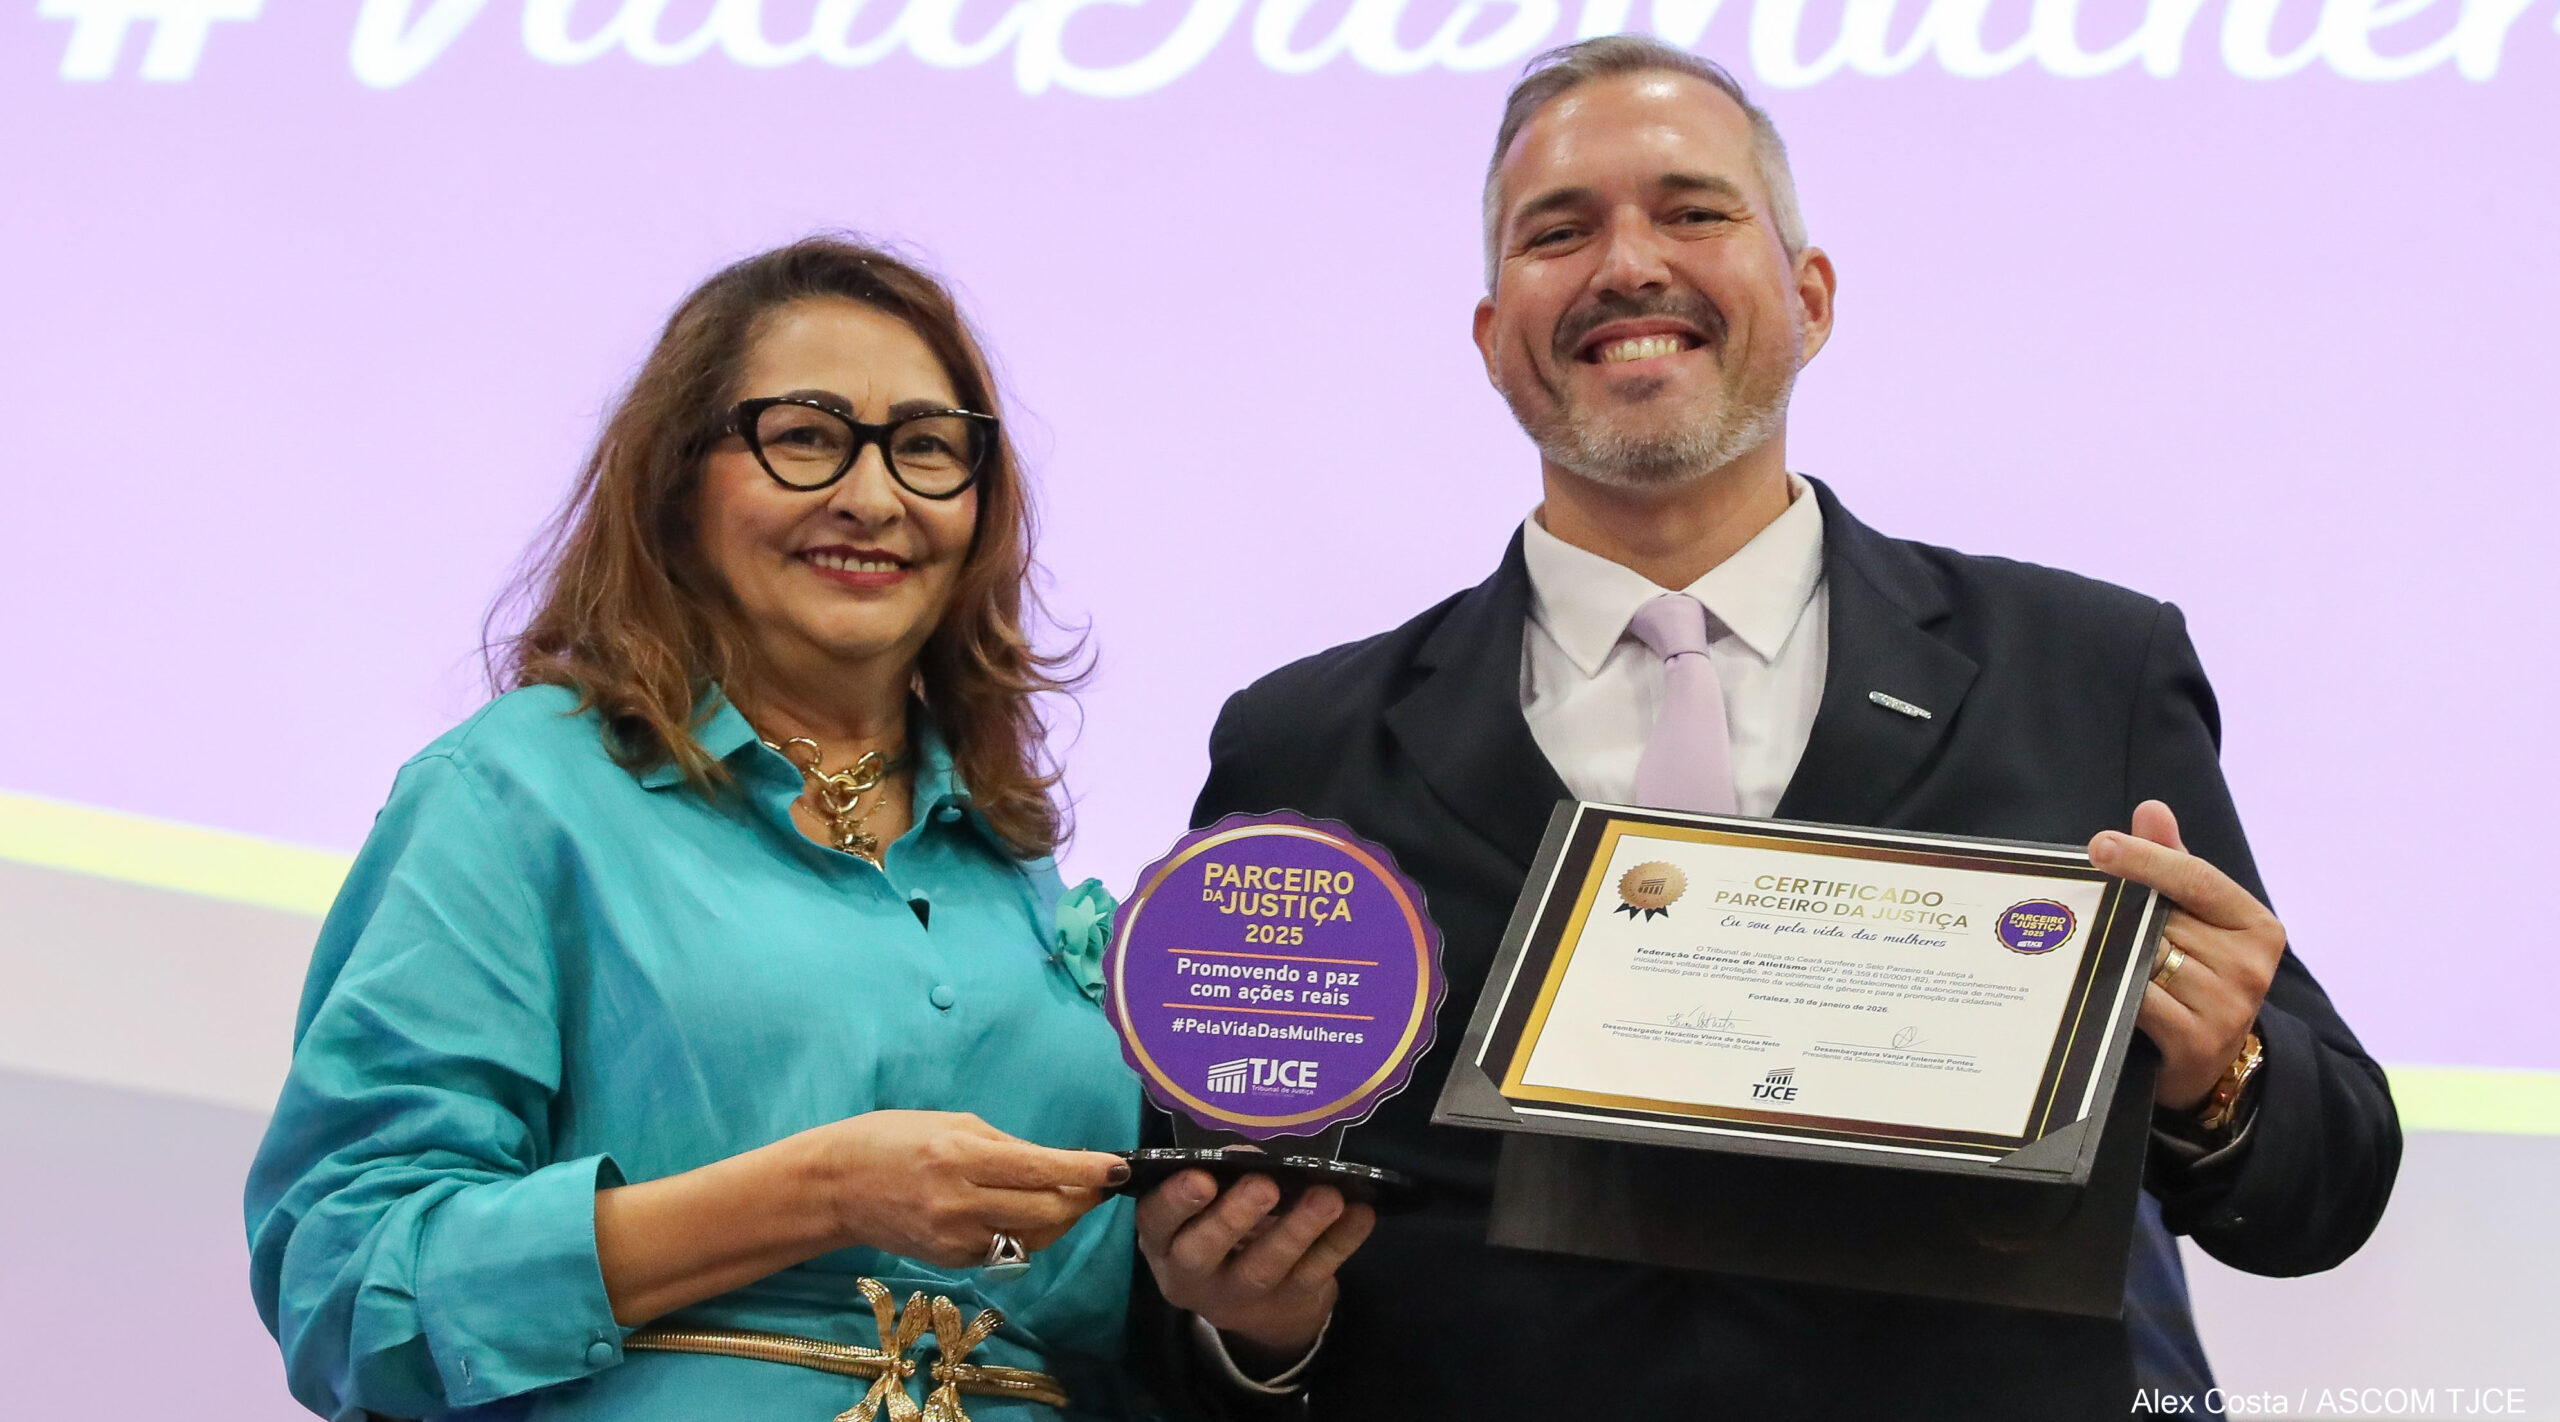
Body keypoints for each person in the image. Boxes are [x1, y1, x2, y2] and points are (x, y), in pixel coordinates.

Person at [1132, 37, 2401, 1421]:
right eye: (1558, 231)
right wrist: (1255, 1330)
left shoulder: (2084, 670)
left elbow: (2324, 1192)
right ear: (1492, 337)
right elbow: (1196, 1289)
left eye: (1692, 210)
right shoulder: (1302, 747)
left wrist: (2224, 1074)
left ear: (1810, 297)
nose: (1628, 264)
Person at [249, 237, 1154, 1421]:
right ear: (677, 482)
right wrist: (820, 1193)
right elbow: (349, 1281)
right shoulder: (516, 793)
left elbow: (1081, 1321)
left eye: (928, 448)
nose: (873, 497)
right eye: (806, 438)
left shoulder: (1013, 860)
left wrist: (1238, 1302)